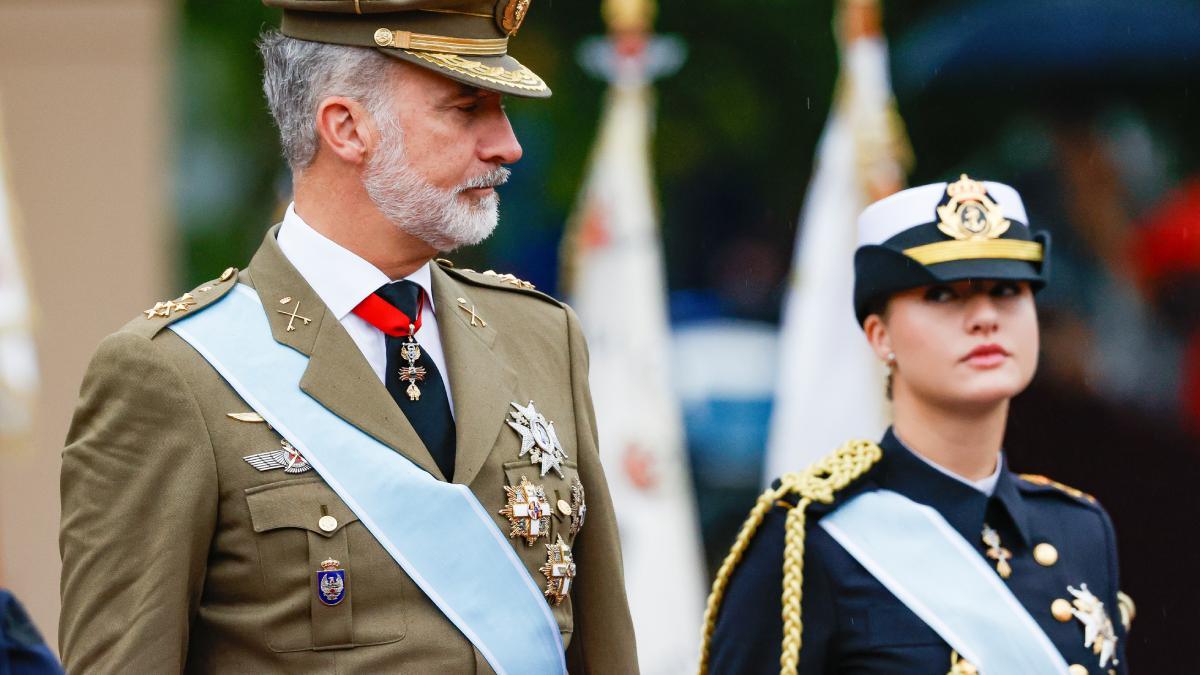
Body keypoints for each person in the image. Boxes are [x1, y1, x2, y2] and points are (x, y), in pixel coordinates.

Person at [58, 2, 638, 672]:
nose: (507, 145)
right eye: (465, 108)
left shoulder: (544, 336)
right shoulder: (172, 374)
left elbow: (602, 651)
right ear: (346, 127)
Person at [700, 175, 1133, 675]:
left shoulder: (1080, 529)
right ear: (880, 336)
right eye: (945, 295)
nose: (986, 317)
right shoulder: (810, 540)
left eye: (1009, 290)